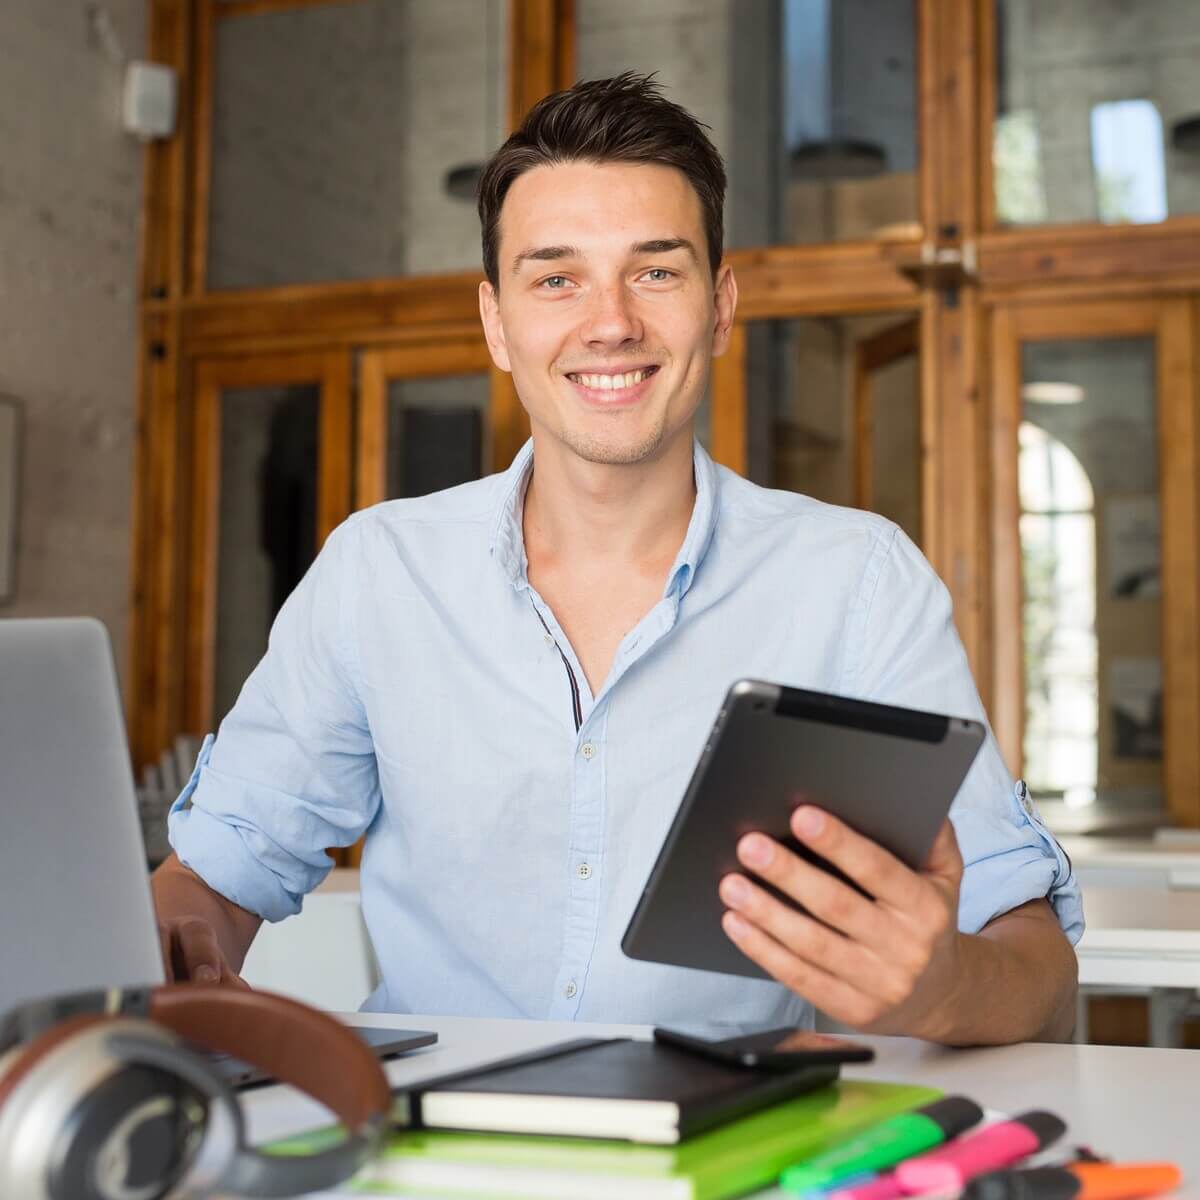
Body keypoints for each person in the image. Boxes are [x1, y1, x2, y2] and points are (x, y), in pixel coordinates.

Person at [155, 73, 1081, 1045]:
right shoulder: (377, 574)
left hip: (729, 1165)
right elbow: (216, 874)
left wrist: (936, 987)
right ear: (497, 323)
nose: (610, 322)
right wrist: (165, 950)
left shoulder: (855, 584)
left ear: (721, 308)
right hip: (428, 1157)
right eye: (556, 277)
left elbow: (1037, 967)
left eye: (656, 270)